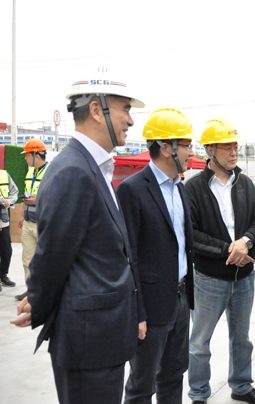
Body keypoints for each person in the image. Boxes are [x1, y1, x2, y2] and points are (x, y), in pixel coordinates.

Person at [11, 73, 146, 404]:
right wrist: (38, 301)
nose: (131, 120)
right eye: (125, 109)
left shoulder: (91, 167)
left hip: (101, 339)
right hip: (89, 343)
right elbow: (53, 255)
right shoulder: (74, 170)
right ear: (97, 110)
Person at [185, 117, 255, 404]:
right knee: (199, 343)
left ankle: (241, 386)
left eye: (236, 147)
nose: (234, 153)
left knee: (242, 339)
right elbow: (191, 234)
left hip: (244, 278)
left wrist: (246, 242)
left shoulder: (244, 183)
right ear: (209, 150)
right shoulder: (193, 188)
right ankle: (199, 394)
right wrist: (227, 250)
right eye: (227, 147)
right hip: (209, 280)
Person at [117, 107, 196, 404]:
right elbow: (128, 257)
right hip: (150, 308)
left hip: (180, 301)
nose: (191, 152)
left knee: (174, 375)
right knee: (142, 385)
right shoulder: (132, 190)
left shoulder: (180, 188)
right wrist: (137, 312)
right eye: (186, 145)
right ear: (165, 147)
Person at [14, 139, 49, 301]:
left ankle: (45, 292)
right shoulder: (29, 173)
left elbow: (58, 196)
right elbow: (26, 195)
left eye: (27, 155)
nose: (25, 158)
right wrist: (22, 215)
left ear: (37, 155)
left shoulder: (51, 171)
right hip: (28, 222)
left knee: (45, 260)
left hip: (43, 223)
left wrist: (38, 199)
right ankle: (30, 291)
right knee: (27, 259)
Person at [0, 168, 19, 292]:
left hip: (3, 220)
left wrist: (9, 201)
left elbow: (14, 191)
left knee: (6, 250)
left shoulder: (3, 174)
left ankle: (3, 275)